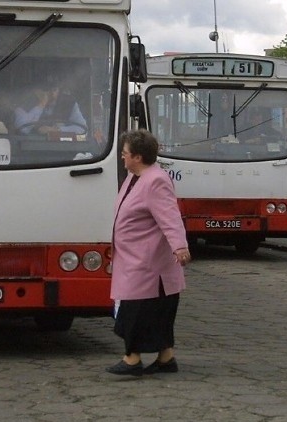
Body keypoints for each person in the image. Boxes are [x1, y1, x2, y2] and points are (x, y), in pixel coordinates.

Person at [107, 129, 191, 377]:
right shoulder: (135, 177)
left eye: (125, 154)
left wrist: (180, 246)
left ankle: (131, 359)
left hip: (147, 263)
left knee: (134, 313)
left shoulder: (155, 180)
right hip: (135, 259)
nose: (122, 158)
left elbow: (170, 217)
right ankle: (166, 357)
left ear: (138, 157)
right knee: (157, 312)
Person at [13, 77, 87, 135]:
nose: (51, 94)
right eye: (47, 90)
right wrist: (41, 105)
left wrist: (56, 130)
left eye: (54, 90)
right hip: (28, 149)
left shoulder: (69, 103)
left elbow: (82, 129)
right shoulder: (25, 103)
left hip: (59, 149)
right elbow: (22, 129)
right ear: (36, 91)